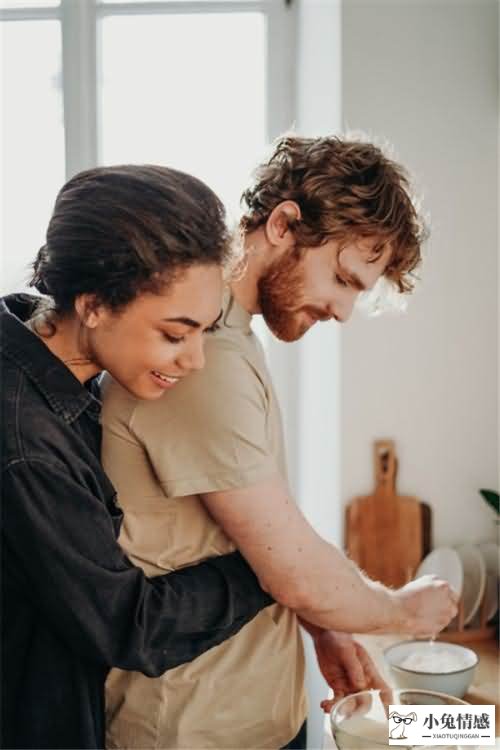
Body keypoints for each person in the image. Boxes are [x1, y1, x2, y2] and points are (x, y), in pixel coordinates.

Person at [102, 137, 459, 750]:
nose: (345, 312)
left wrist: (327, 626)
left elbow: (256, 531)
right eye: (344, 279)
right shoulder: (203, 353)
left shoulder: (232, 338)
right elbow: (292, 573)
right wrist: (403, 610)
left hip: (245, 714)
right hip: (195, 730)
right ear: (285, 223)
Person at [0, 165, 276, 750]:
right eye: (175, 335)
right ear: (94, 305)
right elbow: (127, 624)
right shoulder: (27, 442)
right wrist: (270, 563)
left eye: (203, 332)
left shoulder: (28, 328)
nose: (196, 360)